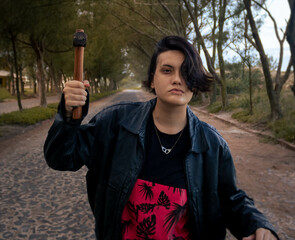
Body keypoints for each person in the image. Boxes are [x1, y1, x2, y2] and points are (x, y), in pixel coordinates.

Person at [44, 35, 279, 240]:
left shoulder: (212, 146)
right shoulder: (115, 123)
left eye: (186, 72)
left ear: (194, 85)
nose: (177, 79)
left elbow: (231, 200)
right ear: (153, 79)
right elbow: (61, 158)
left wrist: (258, 224)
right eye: (167, 70)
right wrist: (68, 115)